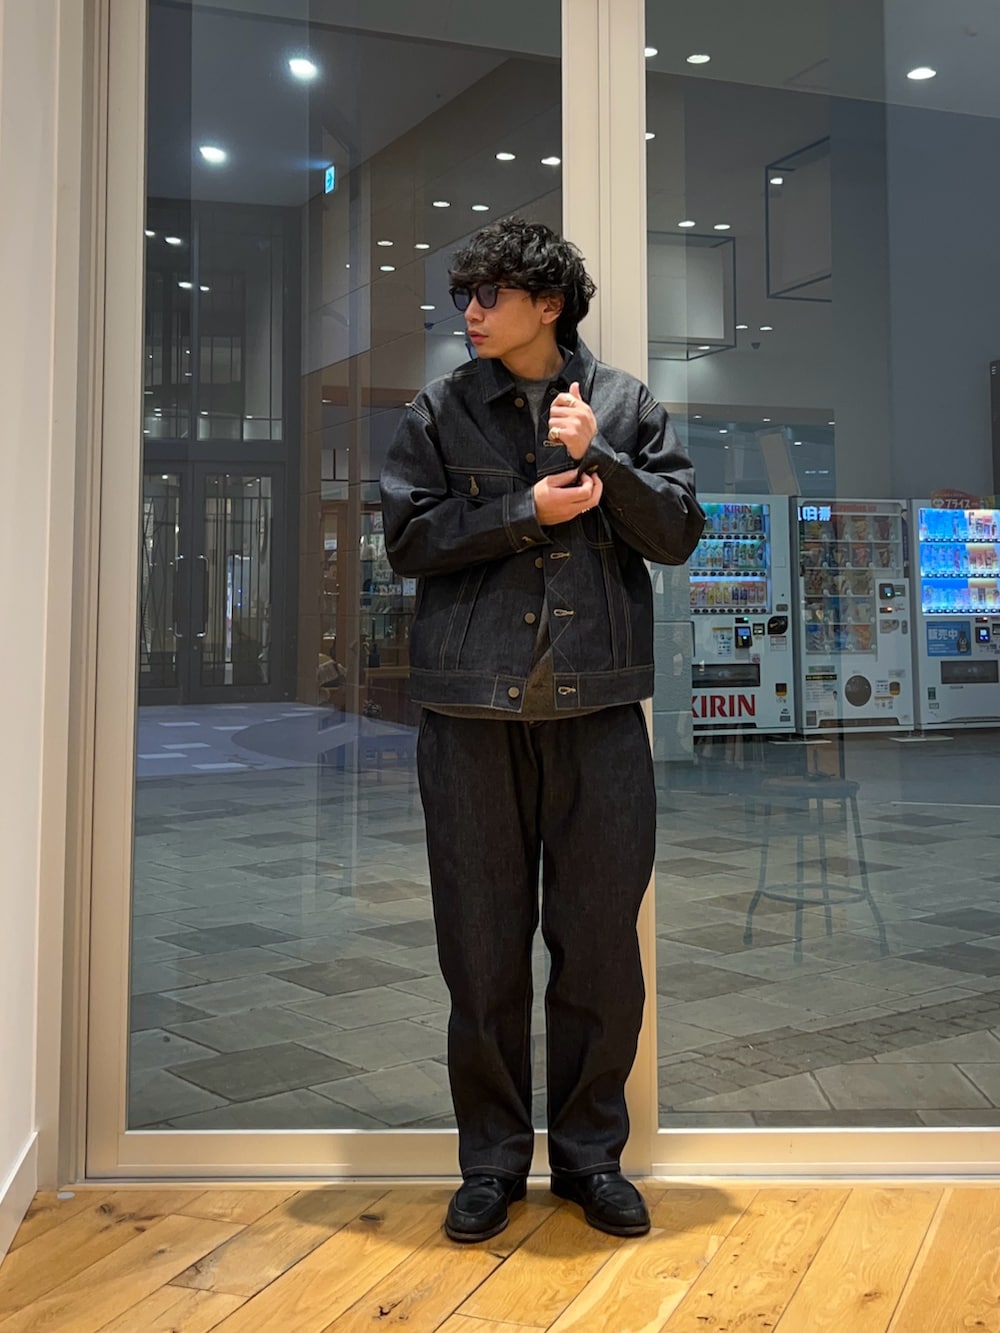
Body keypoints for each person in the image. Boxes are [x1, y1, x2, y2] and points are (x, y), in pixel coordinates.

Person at [379, 217, 704, 1243]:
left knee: (600, 948)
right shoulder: (438, 410)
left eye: (490, 295)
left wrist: (596, 455)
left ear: (548, 304)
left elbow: (679, 533)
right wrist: (526, 509)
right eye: (463, 296)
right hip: (468, 718)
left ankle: (590, 1159)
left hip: (597, 714)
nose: (469, 313)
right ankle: (489, 1164)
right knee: (479, 952)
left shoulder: (625, 405)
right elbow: (408, 539)